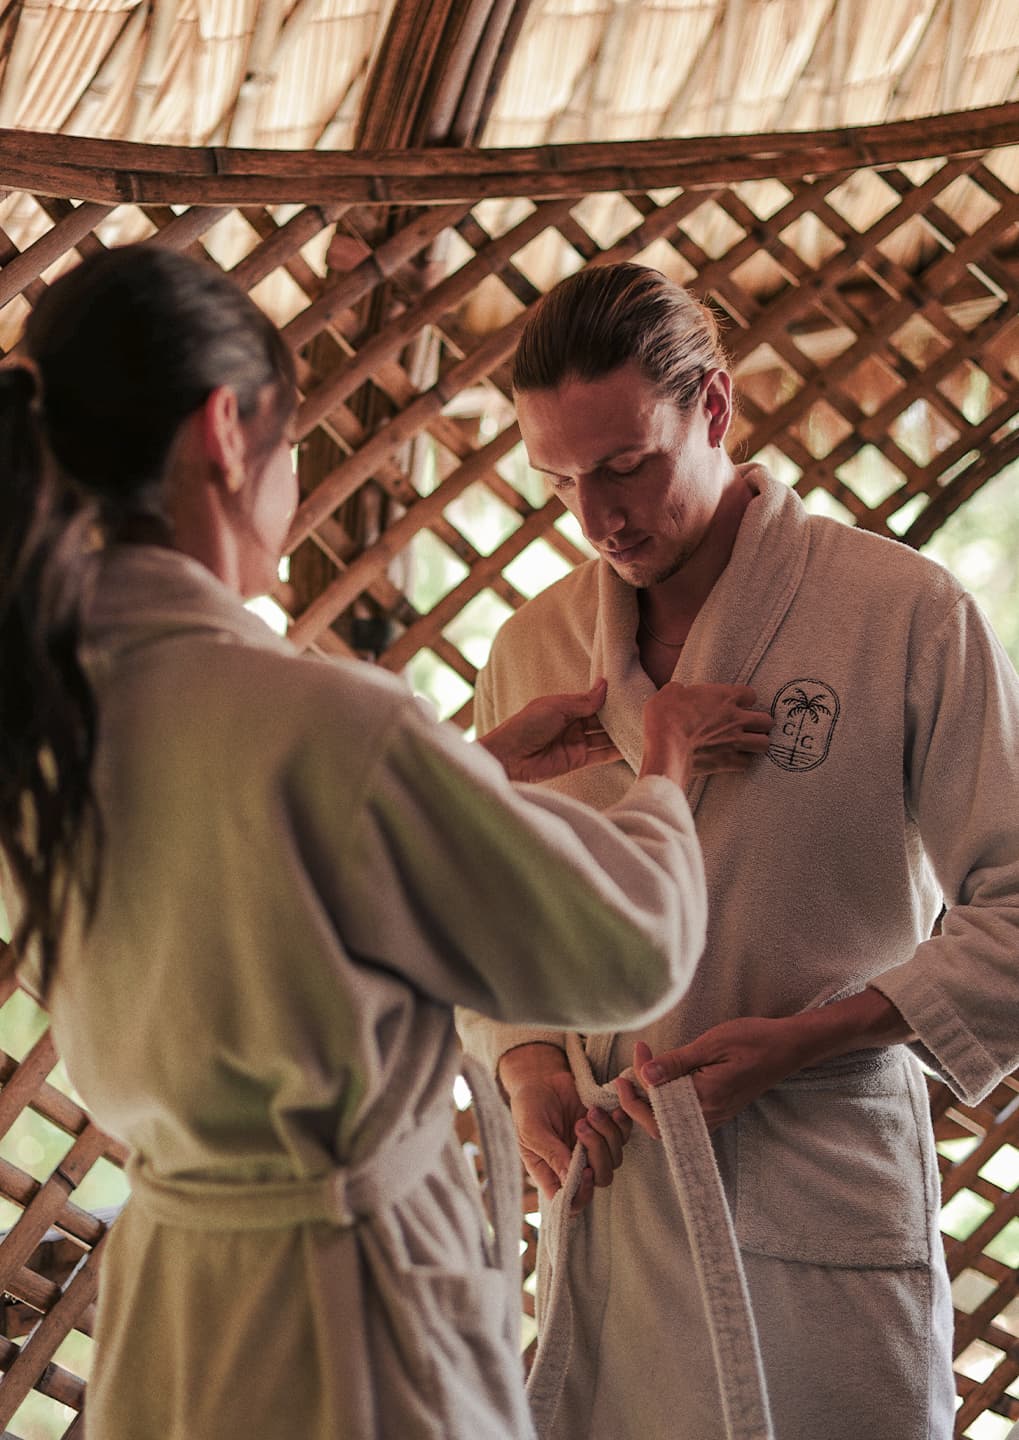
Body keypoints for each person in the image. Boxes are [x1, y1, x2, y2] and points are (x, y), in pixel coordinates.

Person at [0, 245, 774, 1440]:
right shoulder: (318, 720)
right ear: (223, 430)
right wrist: (662, 761)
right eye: (290, 435)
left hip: (173, 1309)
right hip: (342, 1317)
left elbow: (251, 881)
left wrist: (468, 770)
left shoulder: (44, 720)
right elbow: (632, 948)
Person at [458, 262, 1019, 1440]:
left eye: (626, 467)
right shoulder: (534, 645)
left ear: (713, 409)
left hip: (816, 1181)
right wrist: (526, 1072)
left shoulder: (900, 612)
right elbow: (483, 915)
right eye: (560, 480)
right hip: (613, 1205)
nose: (597, 518)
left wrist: (815, 1036)